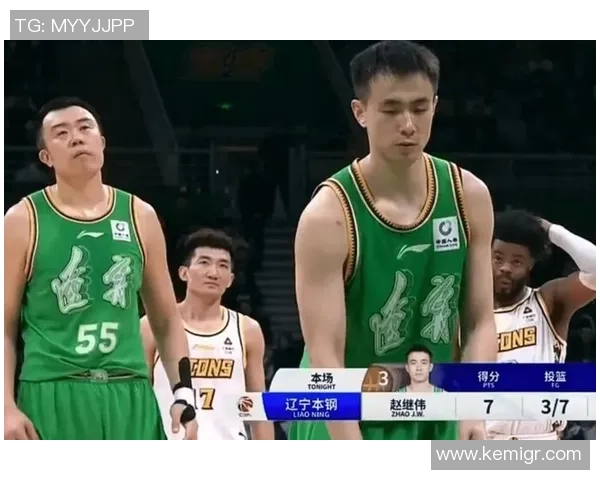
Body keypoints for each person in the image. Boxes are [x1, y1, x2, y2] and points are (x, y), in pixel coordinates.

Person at [290, 41, 497, 441]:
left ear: (435, 106)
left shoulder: (468, 196)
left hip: (435, 406)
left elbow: (479, 321)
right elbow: (324, 352)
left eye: (420, 108)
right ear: (360, 112)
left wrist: (473, 410)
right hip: (344, 412)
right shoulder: (328, 216)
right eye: (391, 109)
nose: (408, 124)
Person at [4, 97, 197, 440]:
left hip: (130, 392)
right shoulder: (22, 219)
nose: (76, 137)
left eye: (85, 128)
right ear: (46, 157)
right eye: (61, 133)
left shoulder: (140, 215)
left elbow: (166, 320)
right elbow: (4, 325)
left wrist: (183, 393)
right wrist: (5, 406)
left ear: (102, 143)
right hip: (53, 390)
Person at [143, 228, 274, 440]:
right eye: (204, 262)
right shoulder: (151, 326)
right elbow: (139, 397)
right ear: (183, 273)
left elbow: (257, 405)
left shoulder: (247, 330)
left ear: (230, 279)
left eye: (223, 266)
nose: (214, 273)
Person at [487, 209, 595, 441]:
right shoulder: (468, 311)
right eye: (498, 258)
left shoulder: (548, 301)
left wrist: (553, 231)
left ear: (530, 265)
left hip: (540, 440)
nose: (505, 267)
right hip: (483, 441)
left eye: (517, 261)